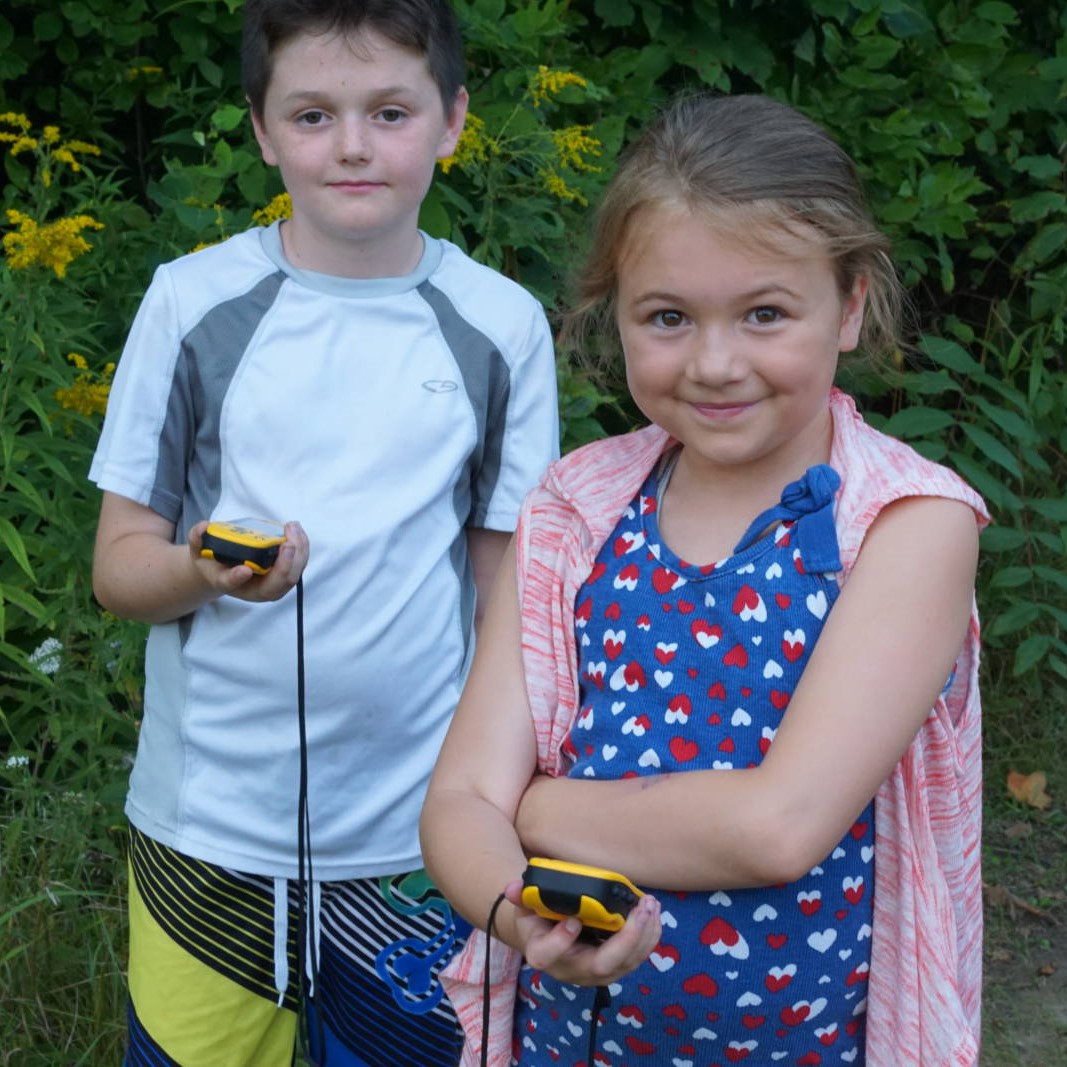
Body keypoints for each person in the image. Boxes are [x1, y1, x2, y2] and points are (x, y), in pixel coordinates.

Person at [421, 93, 987, 1067]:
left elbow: (776, 826)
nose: (715, 363)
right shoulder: (576, 510)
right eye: (668, 317)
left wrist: (539, 812)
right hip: (573, 1043)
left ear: (848, 304)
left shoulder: (903, 523)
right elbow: (459, 795)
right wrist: (519, 915)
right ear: (618, 311)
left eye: (763, 312)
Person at [90, 1, 559, 1064]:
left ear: (451, 121)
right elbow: (119, 569)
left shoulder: (500, 324)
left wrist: (504, 799)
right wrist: (202, 568)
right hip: (205, 830)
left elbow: (506, 597)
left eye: (389, 111)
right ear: (262, 130)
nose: (352, 144)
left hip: (419, 838)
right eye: (312, 114)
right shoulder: (191, 301)